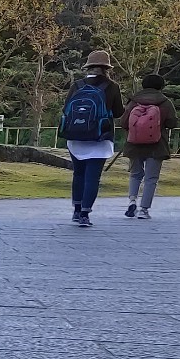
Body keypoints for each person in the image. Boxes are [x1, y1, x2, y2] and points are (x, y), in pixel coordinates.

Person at [60, 49, 125, 226]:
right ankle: (85, 214)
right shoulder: (111, 86)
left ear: (88, 67)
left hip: (75, 137)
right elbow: (118, 112)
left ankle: (76, 210)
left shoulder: (78, 85)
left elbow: (66, 108)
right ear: (107, 68)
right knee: (92, 177)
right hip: (100, 138)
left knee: (78, 173)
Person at [122, 71, 176, 218]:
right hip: (156, 145)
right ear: (161, 86)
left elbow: (123, 123)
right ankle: (144, 210)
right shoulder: (165, 102)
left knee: (135, 174)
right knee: (151, 178)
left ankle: (132, 201)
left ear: (143, 85)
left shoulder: (134, 101)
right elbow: (172, 123)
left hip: (134, 144)